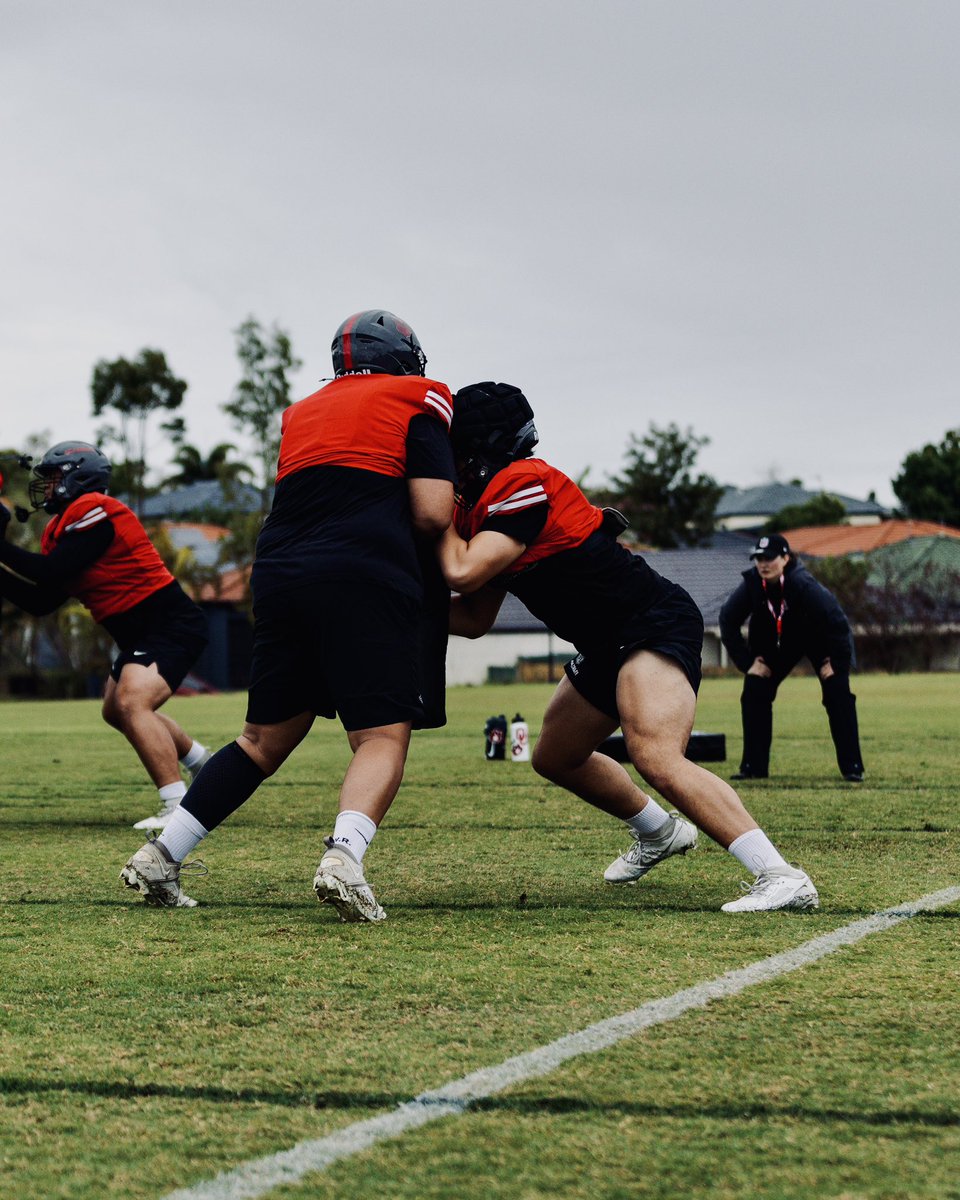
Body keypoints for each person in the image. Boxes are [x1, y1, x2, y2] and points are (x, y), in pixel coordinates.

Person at [120, 309, 456, 917]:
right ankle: (344, 858)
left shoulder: (301, 413)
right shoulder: (421, 396)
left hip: (279, 575)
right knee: (380, 735)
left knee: (260, 740)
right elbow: (432, 512)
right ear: (404, 356)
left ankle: (161, 855)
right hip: (362, 574)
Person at [438, 382, 819, 913]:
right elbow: (477, 618)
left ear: (480, 450)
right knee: (556, 756)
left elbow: (460, 568)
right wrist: (403, 613)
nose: (445, 464)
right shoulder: (486, 513)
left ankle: (780, 874)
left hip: (650, 624)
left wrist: (424, 532)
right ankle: (659, 831)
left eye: (451, 451)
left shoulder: (523, 481)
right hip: (606, 641)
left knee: (656, 756)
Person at [0, 442, 211, 828]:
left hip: (167, 623)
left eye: (53, 479)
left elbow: (46, 572)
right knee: (116, 709)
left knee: (132, 702)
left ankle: (178, 806)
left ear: (77, 477)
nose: (46, 488)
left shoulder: (94, 508)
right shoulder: (65, 530)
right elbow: (40, 600)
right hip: (143, 631)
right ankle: (203, 764)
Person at [719, 532, 865, 783]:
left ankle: (852, 767)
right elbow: (727, 620)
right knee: (755, 689)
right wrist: (747, 663)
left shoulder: (803, 584)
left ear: (785, 558)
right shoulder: (753, 583)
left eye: (770, 558)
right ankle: (753, 768)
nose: (763, 564)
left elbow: (837, 622)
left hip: (817, 640)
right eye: (759, 558)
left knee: (837, 691)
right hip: (777, 645)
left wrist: (837, 663)